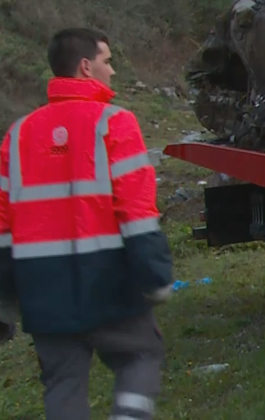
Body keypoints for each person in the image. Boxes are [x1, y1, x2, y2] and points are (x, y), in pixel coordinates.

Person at [0, 28, 174, 420]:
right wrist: (156, 276)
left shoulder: (18, 134)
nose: (112, 71)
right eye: (106, 61)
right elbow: (136, 212)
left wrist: (5, 298)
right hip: (109, 286)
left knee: (62, 385)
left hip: (43, 293)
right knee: (140, 357)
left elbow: (3, 226)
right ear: (85, 66)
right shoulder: (115, 123)